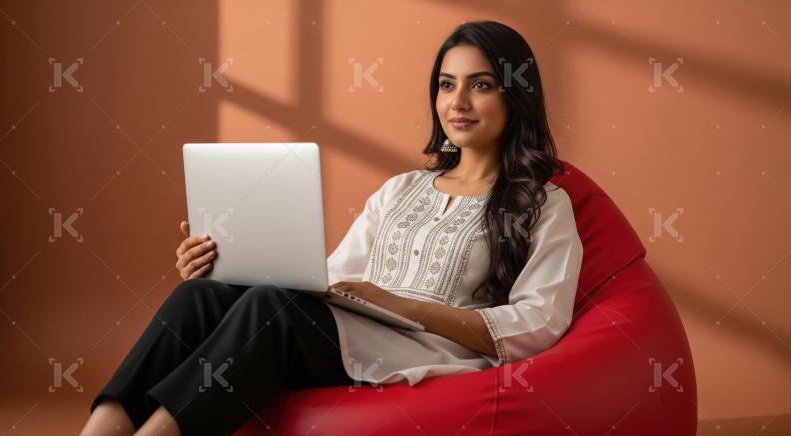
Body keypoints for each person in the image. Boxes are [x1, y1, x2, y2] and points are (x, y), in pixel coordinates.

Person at [80, 20, 583, 436]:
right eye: (447, 85)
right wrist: (226, 264)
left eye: (481, 85)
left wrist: (401, 304)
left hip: (426, 352)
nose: (458, 103)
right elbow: (331, 278)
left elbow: (539, 324)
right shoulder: (400, 189)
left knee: (269, 309)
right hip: (354, 329)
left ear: (516, 94)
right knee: (201, 297)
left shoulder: (542, 204)